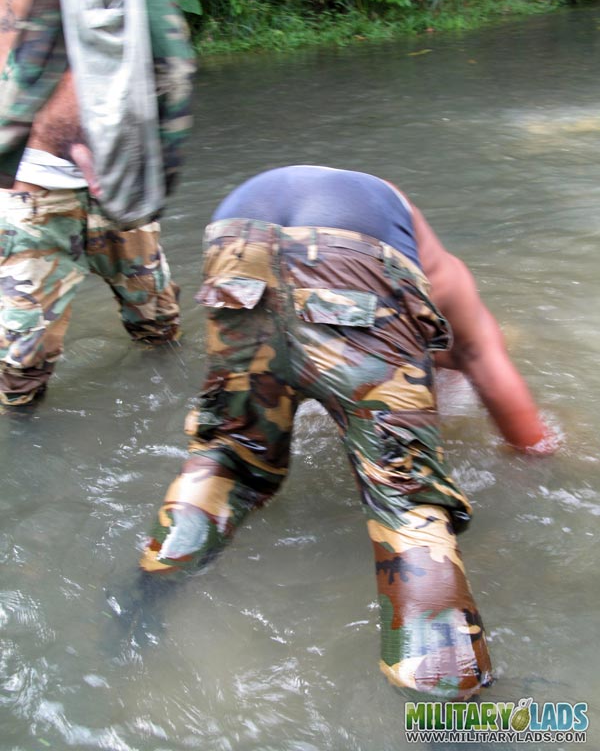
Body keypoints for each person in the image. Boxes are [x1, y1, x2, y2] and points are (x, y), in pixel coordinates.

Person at [138, 165, 556, 698]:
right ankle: (451, 704)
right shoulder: (449, 280)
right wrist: (541, 458)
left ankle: (144, 597)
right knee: (405, 504)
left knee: (233, 454)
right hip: (351, 250)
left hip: (237, 232)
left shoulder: (401, 239)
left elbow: (316, 358)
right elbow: (494, 379)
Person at [0, 0, 196, 406]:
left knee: (159, 321)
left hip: (120, 184)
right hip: (32, 196)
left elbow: (171, 62)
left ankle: (170, 398)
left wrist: (150, 174)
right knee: (22, 366)